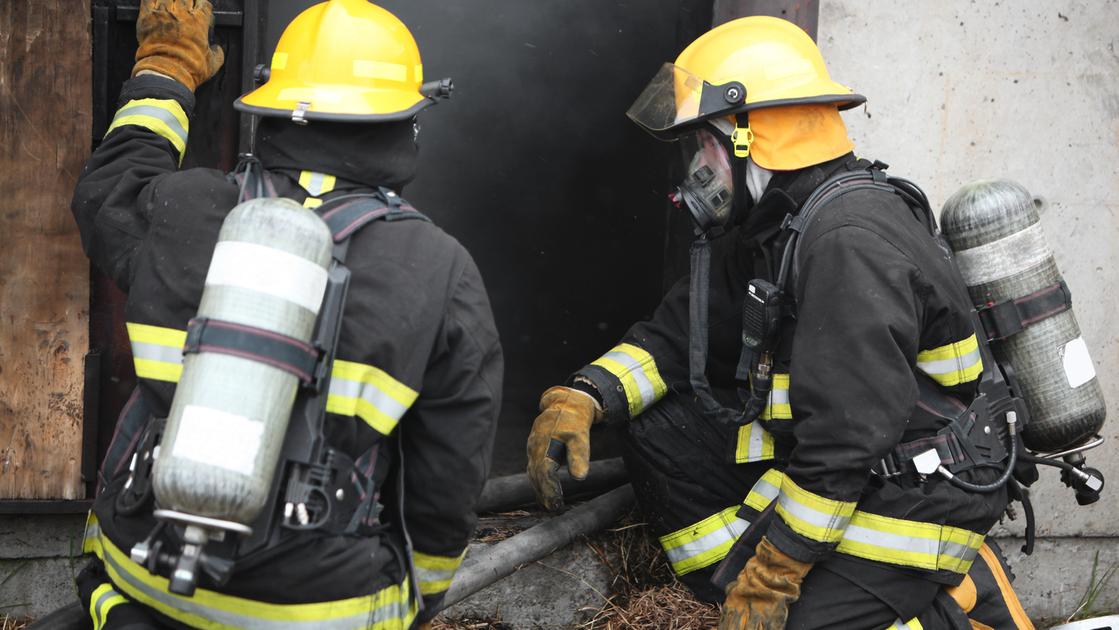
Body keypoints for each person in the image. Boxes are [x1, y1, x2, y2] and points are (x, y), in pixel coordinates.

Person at [527, 16, 1035, 630]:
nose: (696, 167)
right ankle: (736, 586)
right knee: (656, 425)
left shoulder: (848, 242)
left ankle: (956, 602)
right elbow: (679, 336)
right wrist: (583, 398)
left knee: (787, 621)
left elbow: (845, 442)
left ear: (752, 137)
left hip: (921, 490)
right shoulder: (773, 225)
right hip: (855, 466)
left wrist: (775, 574)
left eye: (704, 144)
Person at [71, 1, 502, 628]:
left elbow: (109, 186)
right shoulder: (437, 267)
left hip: (143, 573)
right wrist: (420, 593)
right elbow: (451, 469)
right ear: (403, 122)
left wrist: (165, 70)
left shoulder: (185, 209)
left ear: (272, 109)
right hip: (316, 608)